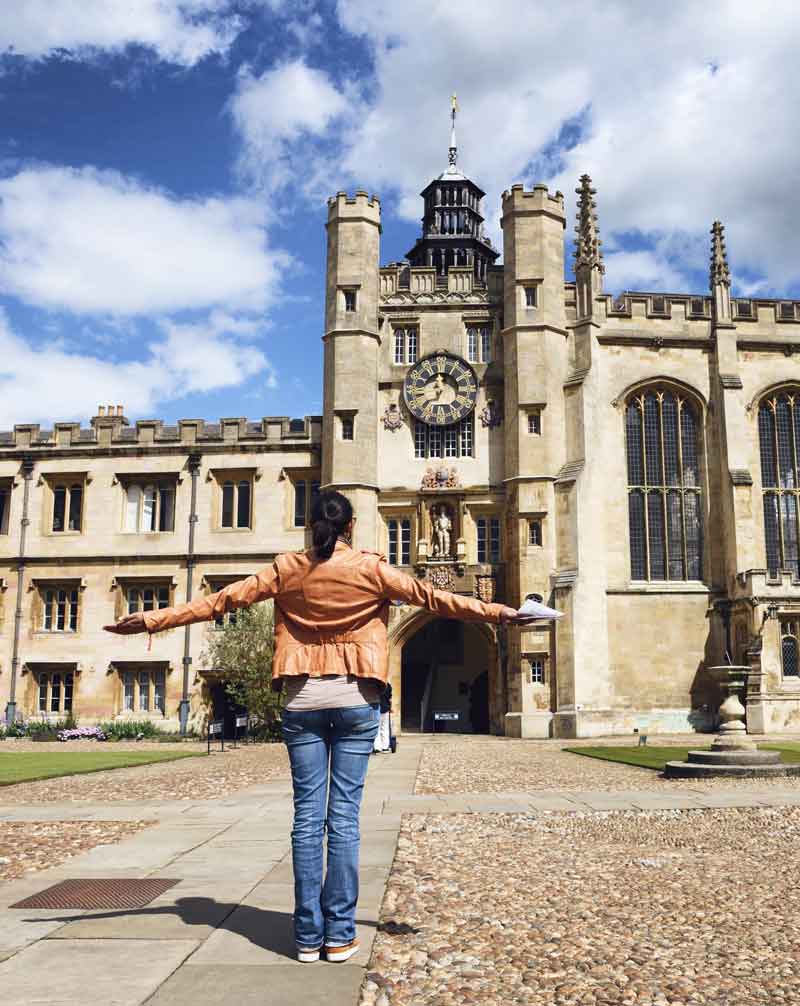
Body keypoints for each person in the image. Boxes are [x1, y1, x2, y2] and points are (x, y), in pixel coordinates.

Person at [104, 490, 536, 964]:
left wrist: (152, 620)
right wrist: (502, 612)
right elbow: (435, 597)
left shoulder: (287, 568)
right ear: (350, 528)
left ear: (311, 526)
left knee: (308, 820)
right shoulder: (373, 568)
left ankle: (307, 937)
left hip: (303, 700)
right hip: (355, 699)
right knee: (345, 820)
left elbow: (222, 600)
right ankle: (339, 936)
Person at [374, 681, 392, 753]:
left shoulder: (375, 684)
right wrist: (390, 707)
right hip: (385, 708)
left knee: (377, 729)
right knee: (385, 728)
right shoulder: (388, 685)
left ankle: (377, 747)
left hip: (377, 708)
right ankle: (385, 747)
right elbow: (390, 699)